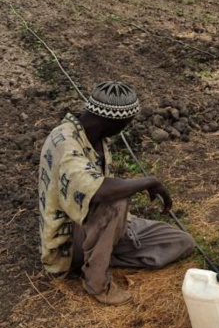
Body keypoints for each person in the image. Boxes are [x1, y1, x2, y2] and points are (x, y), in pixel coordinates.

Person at [38, 81, 195, 305]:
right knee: (116, 200)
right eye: (127, 123)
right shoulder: (65, 144)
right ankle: (97, 282)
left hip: (95, 226)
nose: (126, 128)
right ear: (114, 121)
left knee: (181, 242)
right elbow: (100, 191)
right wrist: (148, 181)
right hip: (70, 243)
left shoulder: (95, 137)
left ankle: (102, 252)